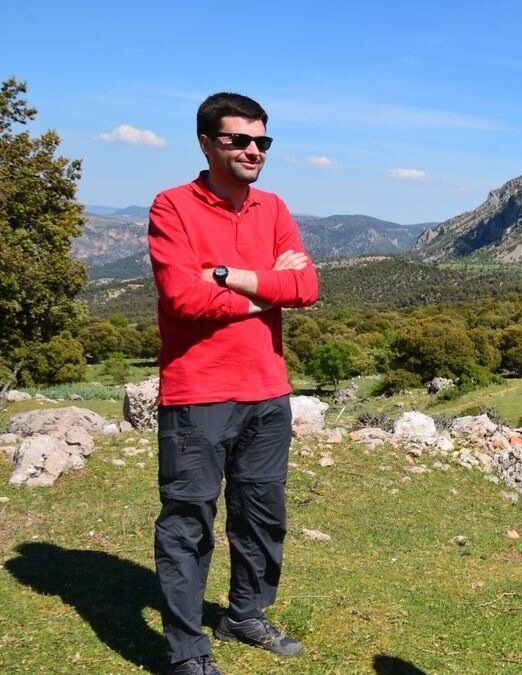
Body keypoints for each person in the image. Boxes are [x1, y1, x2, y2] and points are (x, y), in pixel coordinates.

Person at [148, 92, 319, 675]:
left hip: (268, 391)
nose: (253, 151)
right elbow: (182, 297)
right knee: (189, 523)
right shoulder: (172, 206)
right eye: (238, 140)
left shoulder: (273, 208)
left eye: (262, 142)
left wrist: (226, 277)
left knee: (262, 515)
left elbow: (307, 289)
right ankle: (187, 651)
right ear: (205, 143)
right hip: (198, 394)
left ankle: (246, 613)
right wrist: (266, 291)